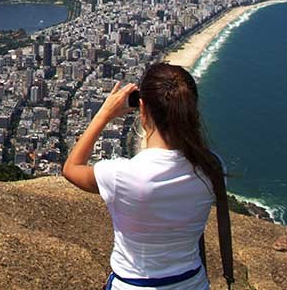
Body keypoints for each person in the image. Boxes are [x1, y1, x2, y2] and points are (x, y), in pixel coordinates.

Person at [62, 63, 228, 290]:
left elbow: (71, 168)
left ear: (142, 109)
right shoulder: (212, 169)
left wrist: (104, 114)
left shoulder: (123, 175)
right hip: (193, 283)